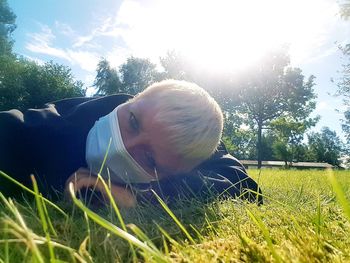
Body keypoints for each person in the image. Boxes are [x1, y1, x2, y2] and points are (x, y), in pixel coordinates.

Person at [0, 80, 262, 207]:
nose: (123, 145)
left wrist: (142, 197)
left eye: (149, 159)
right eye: (133, 122)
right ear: (133, 99)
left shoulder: (194, 144)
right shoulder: (49, 129)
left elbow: (242, 183)